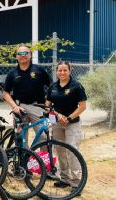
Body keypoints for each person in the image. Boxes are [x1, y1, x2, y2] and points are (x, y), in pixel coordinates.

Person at [45, 61, 87, 190]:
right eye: (60, 70)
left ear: (70, 71)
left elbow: (82, 106)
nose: (62, 73)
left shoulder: (76, 86)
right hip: (57, 123)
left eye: (65, 70)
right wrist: (56, 115)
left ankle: (76, 183)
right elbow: (47, 105)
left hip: (72, 123)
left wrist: (68, 118)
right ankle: (65, 179)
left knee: (72, 151)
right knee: (60, 151)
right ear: (56, 71)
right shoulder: (53, 86)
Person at [3, 45, 51, 144]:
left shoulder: (39, 70)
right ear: (16, 57)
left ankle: (42, 158)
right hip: (20, 108)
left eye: (25, 53)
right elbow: (5, 93)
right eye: (20, 53)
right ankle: (24, 159)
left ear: (30, 55)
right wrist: (14, 106)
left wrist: (47, 105)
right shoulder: (12, 73)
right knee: (20, 138)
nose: (22, 55)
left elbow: (52, 87)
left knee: (43, 137)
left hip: (38, 106)